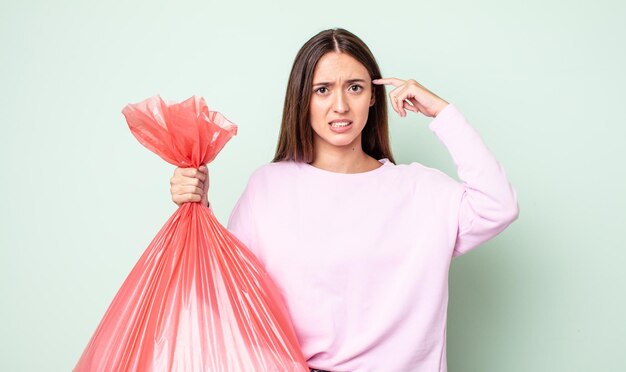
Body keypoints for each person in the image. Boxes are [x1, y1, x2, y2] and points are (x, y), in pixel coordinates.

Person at [169, 28, 519, 372]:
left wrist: (442, 113)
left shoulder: (421, 190)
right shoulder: (269, 187)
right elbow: (229, 289)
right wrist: (198, 206)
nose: (340, 106)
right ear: (303, 98)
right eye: (323, 90)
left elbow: (498, 206)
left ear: (372, 96)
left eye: (354, 87)